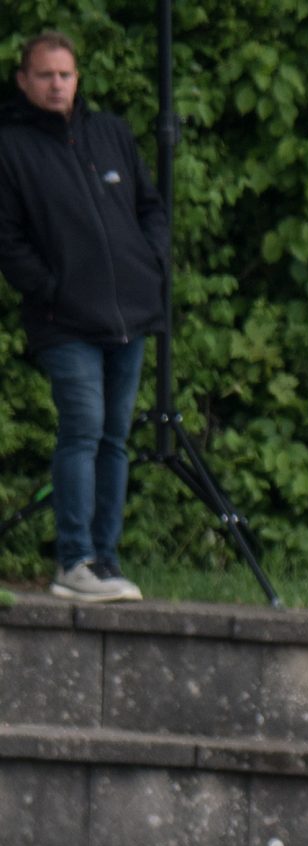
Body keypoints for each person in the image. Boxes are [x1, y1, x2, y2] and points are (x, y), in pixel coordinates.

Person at [0, 32, 165, 605]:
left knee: (114, 438)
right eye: (45, 75)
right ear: (24, 81)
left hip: (129, 315)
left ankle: (105, 559)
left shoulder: (110, 132)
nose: (56, 85)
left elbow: (149, 206)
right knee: (83, 428)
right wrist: (51, 288)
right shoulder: (10, 147)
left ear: (78, 79)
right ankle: (75, 559)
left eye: (65, 75)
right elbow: (7, 239)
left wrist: (151, 263)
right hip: (64, 320)